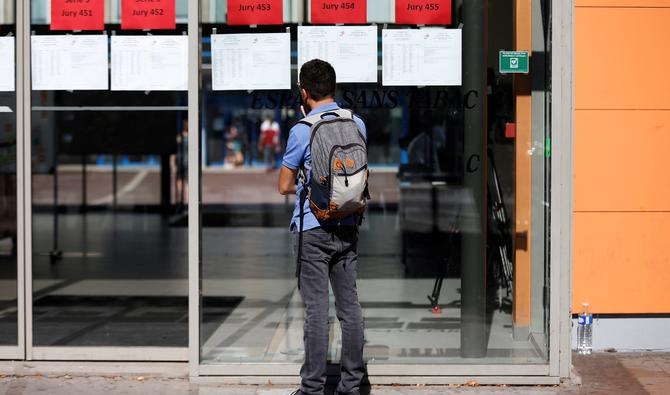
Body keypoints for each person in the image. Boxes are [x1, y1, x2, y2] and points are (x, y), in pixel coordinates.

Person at [278, 59, 367, 395]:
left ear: (303, 92)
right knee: (350, 308)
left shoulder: (302, 129)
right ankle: (352, 385)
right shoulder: (357, 123)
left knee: (316, 310)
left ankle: (313, 388)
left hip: (312, 228)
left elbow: (283, 185)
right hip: (348, 223)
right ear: (334, 88)